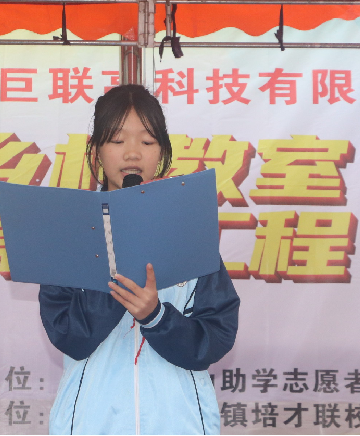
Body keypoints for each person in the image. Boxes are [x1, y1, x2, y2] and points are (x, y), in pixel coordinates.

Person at [39, 84, 240, 435]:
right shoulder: (69, 233)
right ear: (96, 150)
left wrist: (156, 316)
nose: (132, 153)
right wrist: (121, 278)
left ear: (161, 150)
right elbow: (69, 335)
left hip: (178, 424)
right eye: (117, 140)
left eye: (147, 141)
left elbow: (215, 336)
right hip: (91, 423)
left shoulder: (188, 232)